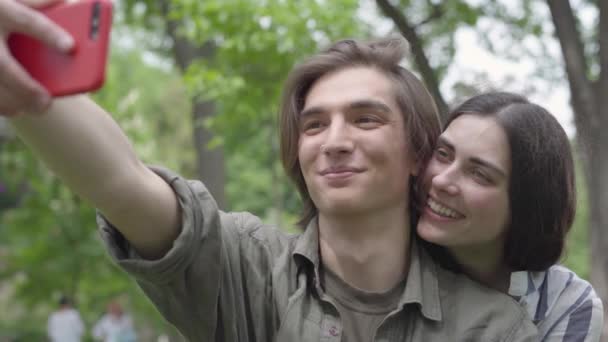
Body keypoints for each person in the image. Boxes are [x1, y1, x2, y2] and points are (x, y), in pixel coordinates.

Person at [1, 0, 539, 340]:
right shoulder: (247, 268)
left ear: (419, 154)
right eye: (313, 125)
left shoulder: (492, 327)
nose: (334, 142)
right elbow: (122, 184)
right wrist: (23, 81)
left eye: (365, 119)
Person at [416, 92, 605, 341]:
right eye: (443, 154)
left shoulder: (566, 304)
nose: (441, 180)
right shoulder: (393, 261)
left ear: (526, 204)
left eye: (479, 174)